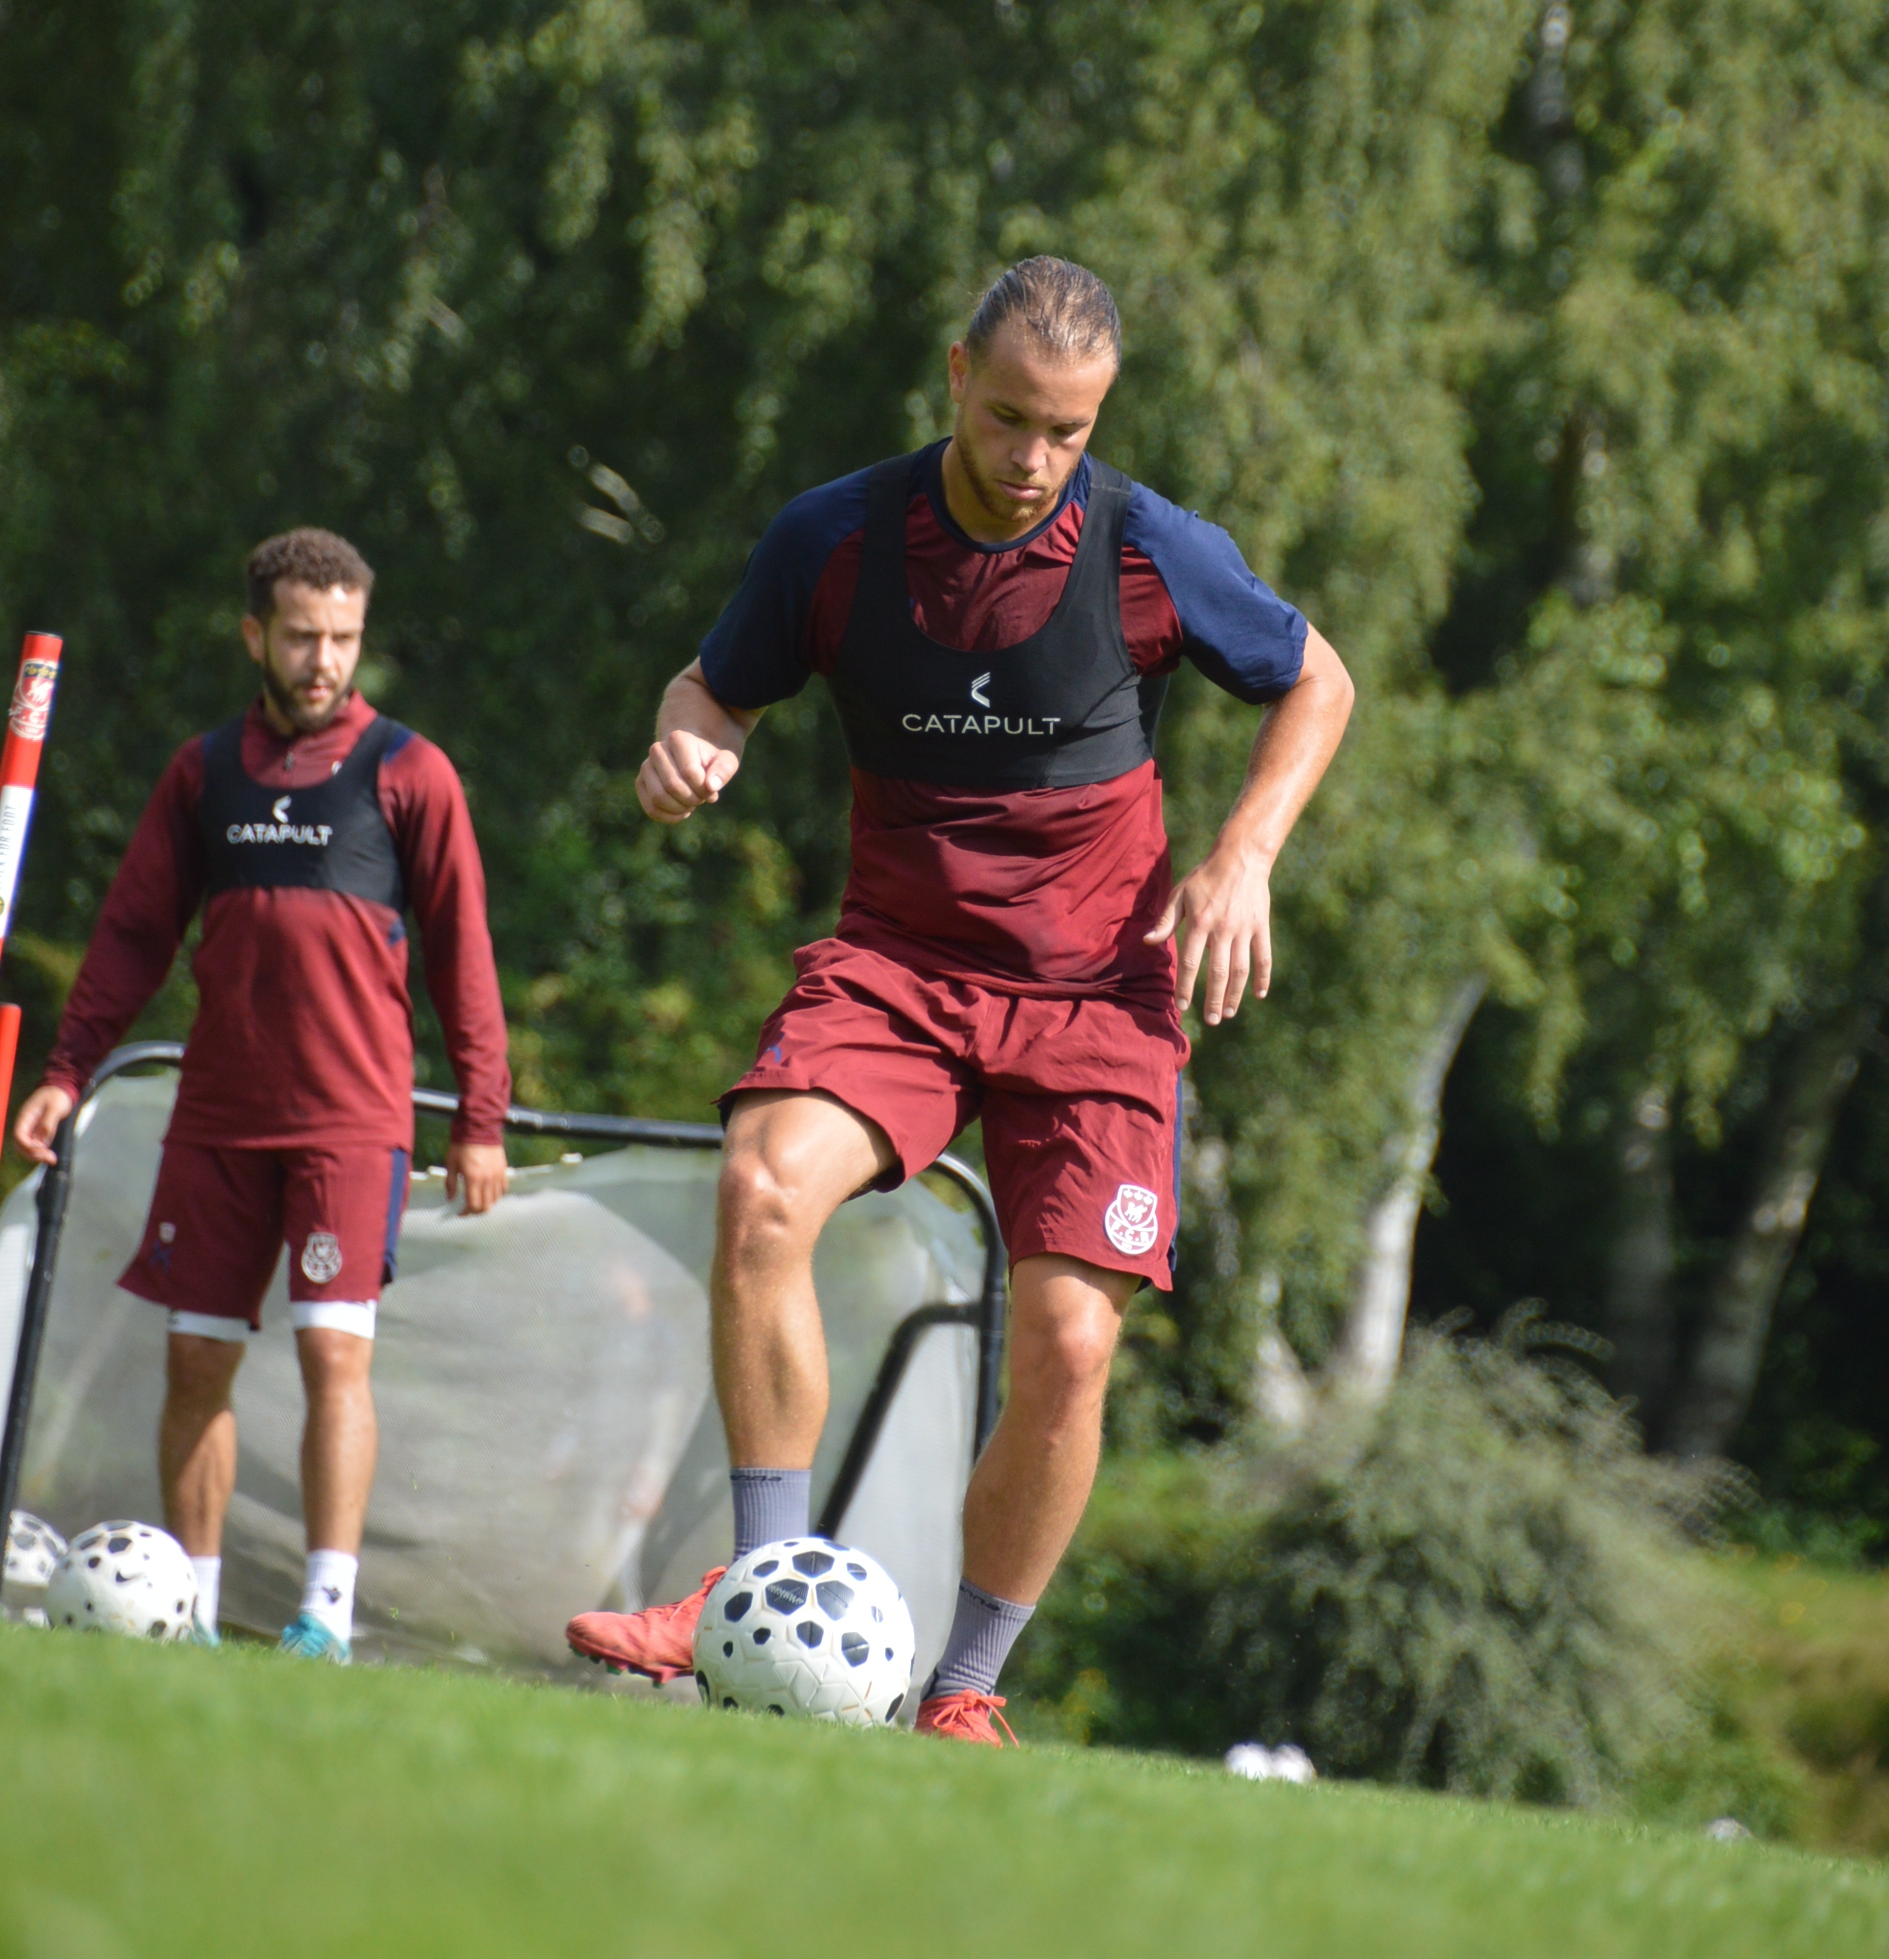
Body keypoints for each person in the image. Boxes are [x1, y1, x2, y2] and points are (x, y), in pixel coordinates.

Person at [567, 257, 1353, 1740]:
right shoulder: (835, 538)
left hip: (1098, 996)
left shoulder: (1150, 547)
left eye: (1067, 431)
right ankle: (755, 1589)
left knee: (1069, 1344)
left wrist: (1245, 853)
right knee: (760, 1189)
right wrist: (688, 742)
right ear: (953, 377)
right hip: (900, 971)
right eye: (1007, 419)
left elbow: (1320, 681)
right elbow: (709, 686)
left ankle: (966, 1689)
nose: (1033, 460)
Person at [10, 528, 511, 1661]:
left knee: (336, 1356)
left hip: (352, 1124)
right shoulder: (202, 773)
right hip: (218, 1121)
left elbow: (462, 955)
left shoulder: (411, 772)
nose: (322, 659)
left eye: (342, 638)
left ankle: (322, 1617)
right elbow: (133, 935)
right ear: (254, 635)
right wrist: (66, 1071)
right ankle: (189, 1611)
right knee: (196, 1361)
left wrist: (481, 1116)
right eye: (299, 636)